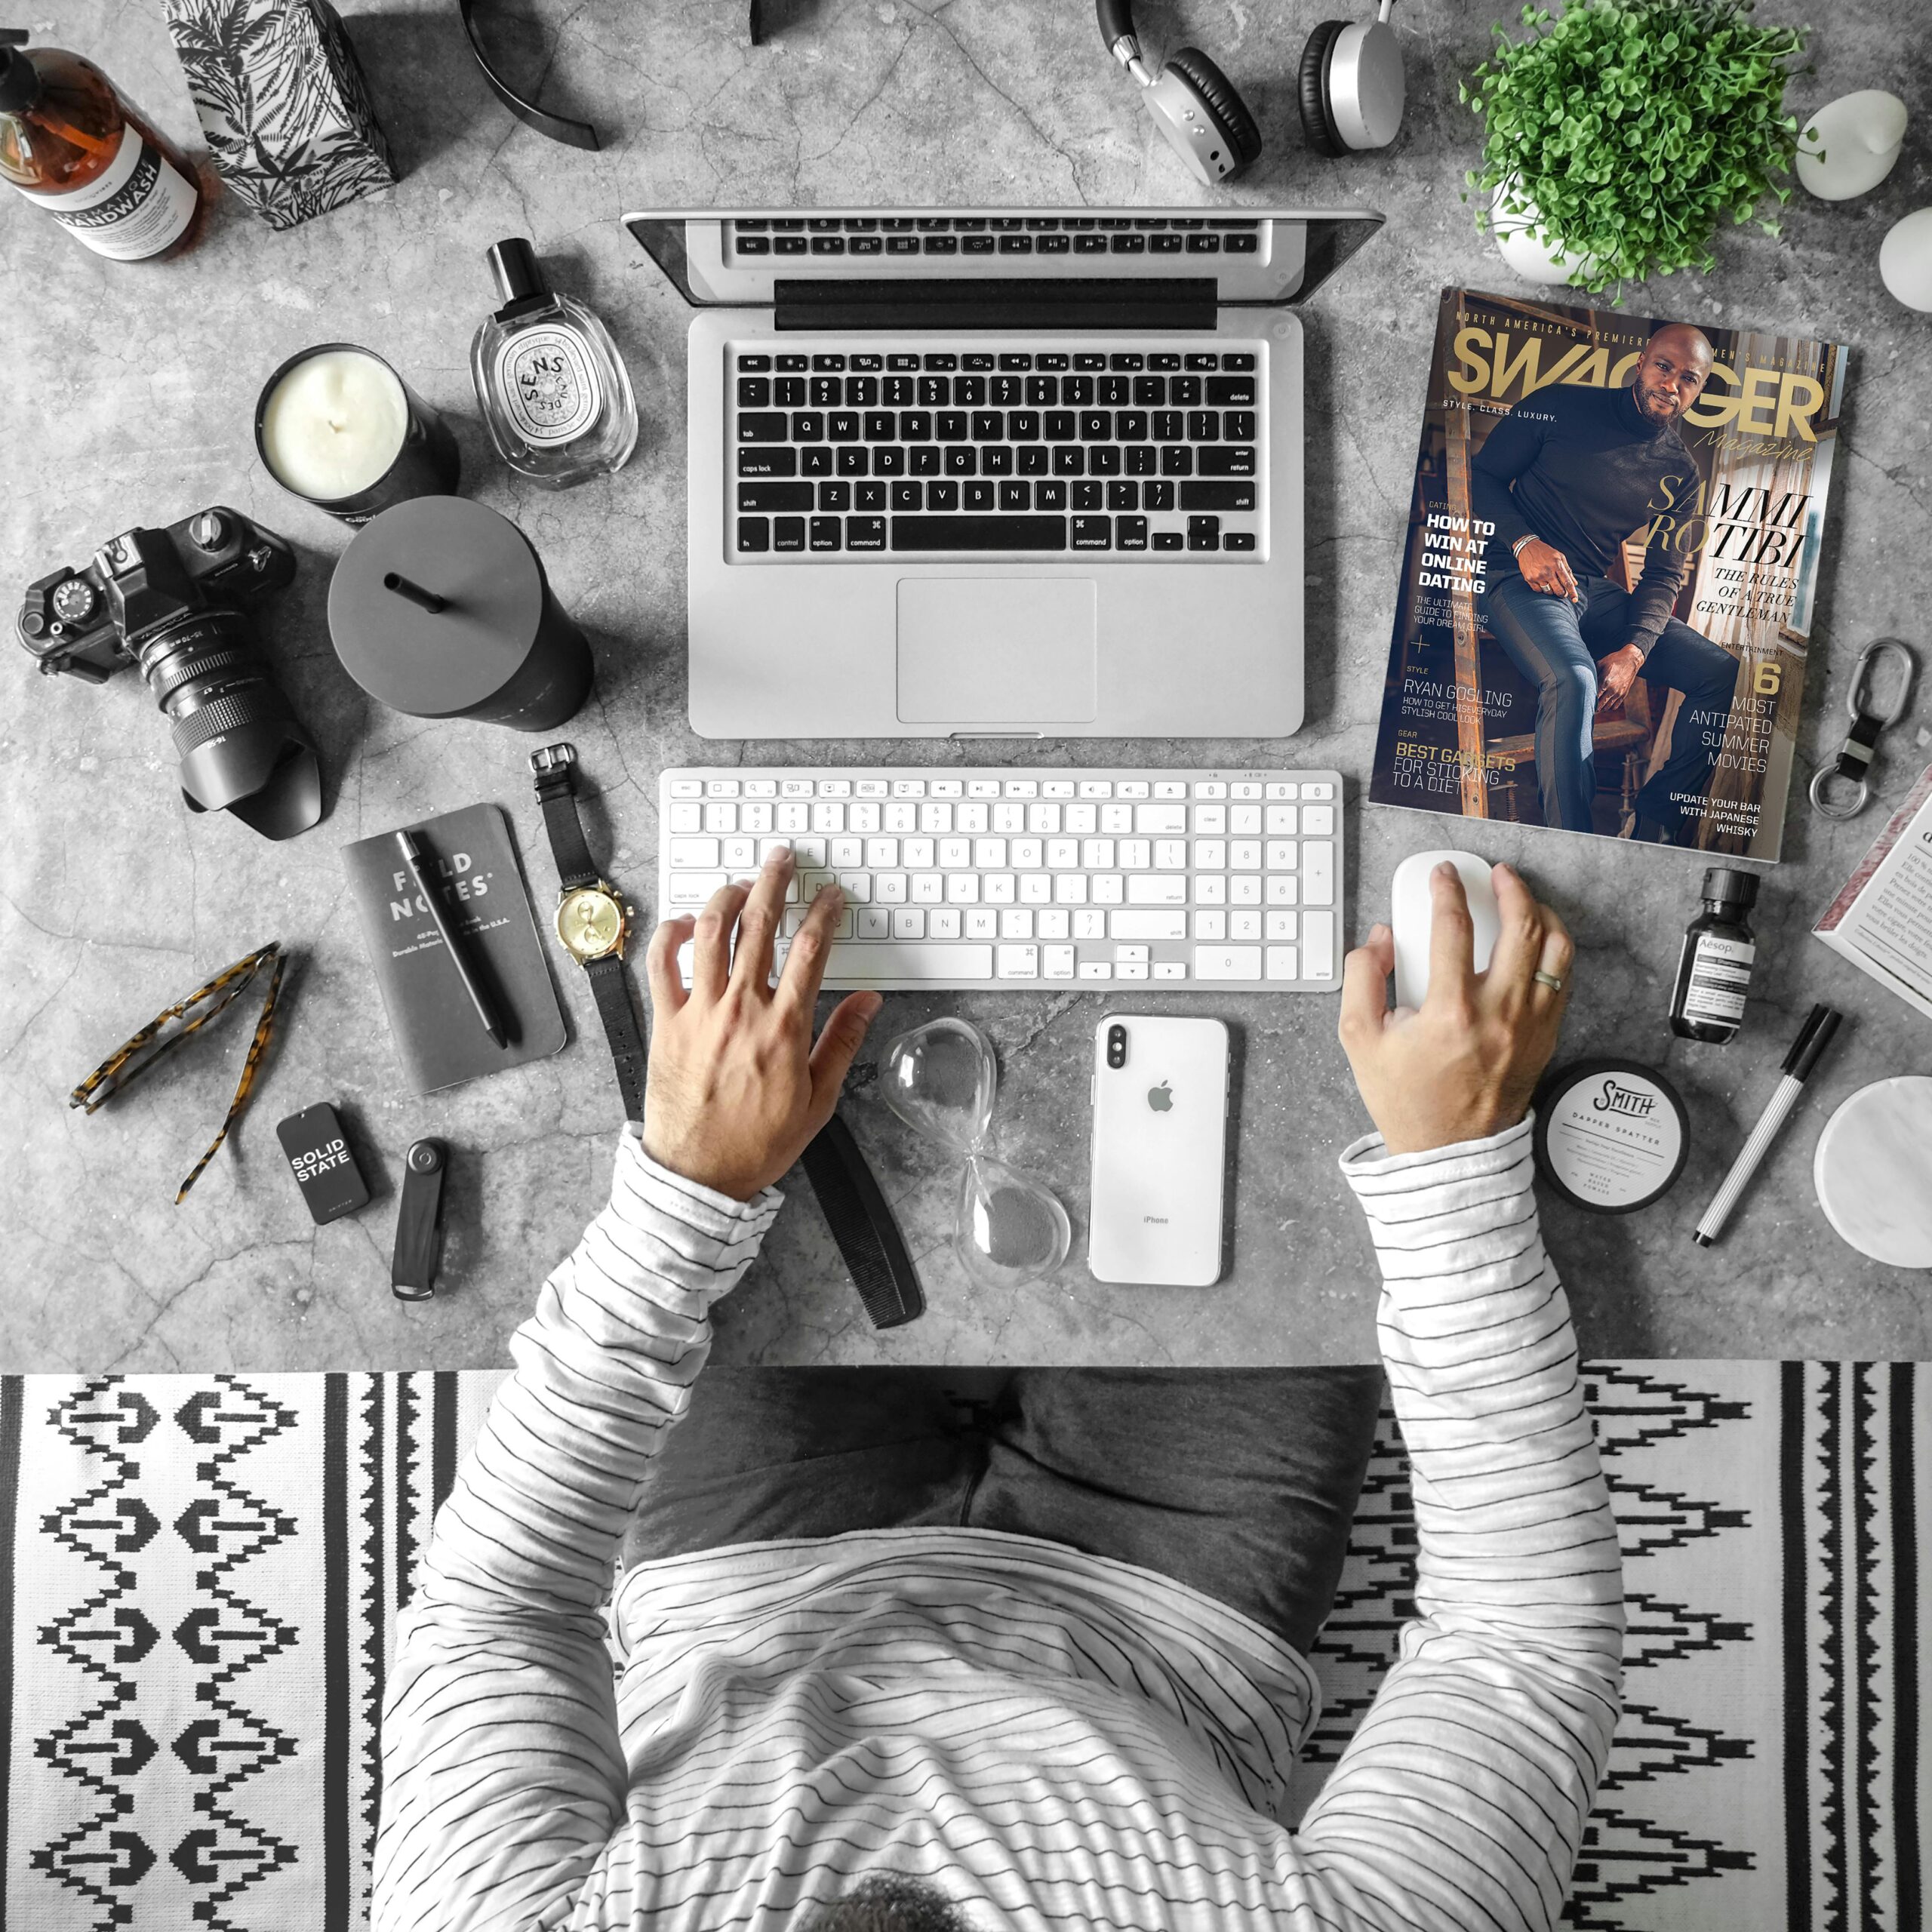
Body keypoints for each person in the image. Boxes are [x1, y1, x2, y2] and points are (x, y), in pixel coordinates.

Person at [373, 848, 1622, 1932]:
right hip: (1173, 1613)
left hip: (747, 1580)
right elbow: (1522, 1649)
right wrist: (1459, 1167)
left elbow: (499, 1615)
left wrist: (684, 1192)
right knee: (1268, 1135)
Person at [1472, 321, 1743, 841]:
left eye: (1688, 378)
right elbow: (1482, 476)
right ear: (1641, 362)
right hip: (1518, 577)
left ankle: (1656, 819)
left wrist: (1636, 652)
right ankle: (1573, 844)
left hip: (1593, 592)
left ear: (1699, 389)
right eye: (1664, 367)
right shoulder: (1558, 404)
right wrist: (1524, 542)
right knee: (1574, 678)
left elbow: (1665, 573)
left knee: (1722, 674)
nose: (1671, 385)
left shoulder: (1681, 472)